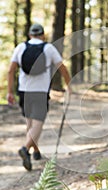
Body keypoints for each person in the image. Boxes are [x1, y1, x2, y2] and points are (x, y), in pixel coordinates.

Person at [7, 24, 71, 171]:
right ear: (42, 35)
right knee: (38, 124)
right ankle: (26, 148)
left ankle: (34, 151)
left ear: (30, 35)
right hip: (40, 91)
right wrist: (69, 86)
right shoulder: (48, 48)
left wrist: (9, 92)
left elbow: (11, 71)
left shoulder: (21, 47)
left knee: (29, 122)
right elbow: (63, 68)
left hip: (24, 90)